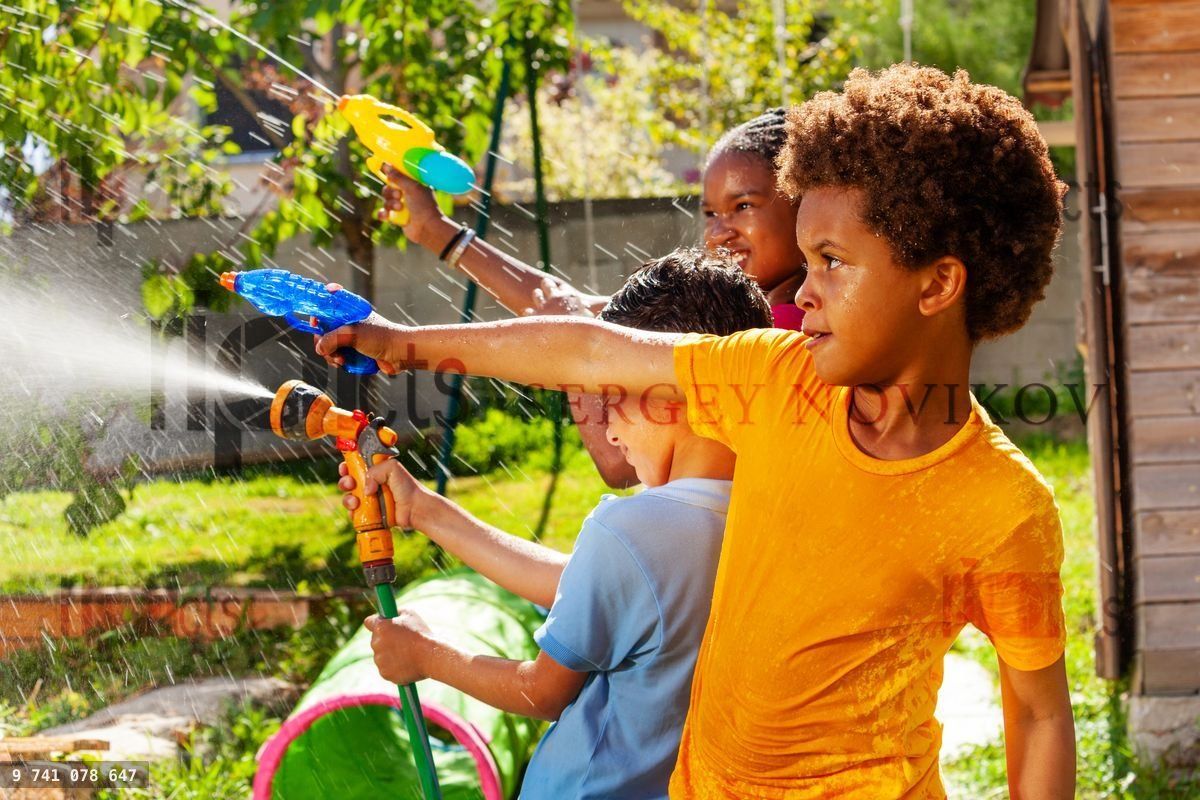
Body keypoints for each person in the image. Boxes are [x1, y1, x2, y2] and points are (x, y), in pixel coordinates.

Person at [320, 64, 1076, 798]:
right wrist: (395, 342)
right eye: (807, 259)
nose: (803, 293)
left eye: (833, 262)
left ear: (938, 284)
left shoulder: (1005, 508)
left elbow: (1039, 713)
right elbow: (589, 346)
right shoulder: (778, 380)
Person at [343, 249, 774, 799]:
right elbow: (592, 587)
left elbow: (541, 693)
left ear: (668, 395)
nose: (610, 432)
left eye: (610, 399)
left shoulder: (632, 530)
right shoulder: (763, 513)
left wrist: (425, 655)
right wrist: (425, 509)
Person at [381, 109, 806, 488]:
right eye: (710, 213)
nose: (718, 232)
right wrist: (435, 231)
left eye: (743, 205)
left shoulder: (788, 333)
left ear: (804, 205)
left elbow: (617, 463)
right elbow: (562, 305)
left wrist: (574, 352)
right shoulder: (730, 309)